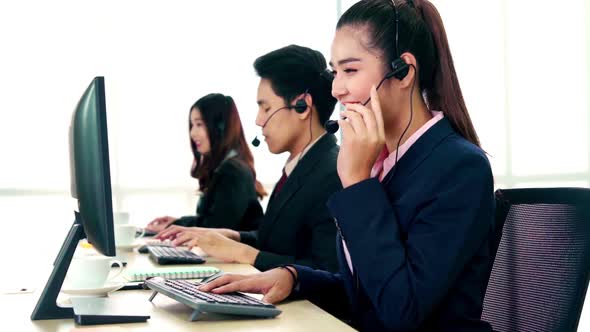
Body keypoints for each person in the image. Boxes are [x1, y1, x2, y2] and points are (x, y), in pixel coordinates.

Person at [198, 1, 496, 331]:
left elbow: (402, 310)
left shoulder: (458, 167)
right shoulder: (383, 162)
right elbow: (369, 288)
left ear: (404, 72)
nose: (336, 89)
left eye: (350, 70)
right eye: (335, 71)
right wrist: (295, 277)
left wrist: (356, 182)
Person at [156, 45, 341, 273]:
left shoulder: (333, 172)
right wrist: (233, 237)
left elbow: (329, 271)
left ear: (302, 106)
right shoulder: (301, 165)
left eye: (266, 108)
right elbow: (273, 242)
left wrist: (243, 253)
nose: (258, 120)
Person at [145, 93, 266, 233]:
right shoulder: (226, 167)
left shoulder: (233, 171)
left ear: (220, 127)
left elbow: (215, 230)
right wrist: (176, 223)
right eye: (192, 125)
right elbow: (212, 221)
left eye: (199, 124)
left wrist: (176, 226)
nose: (192, 133)